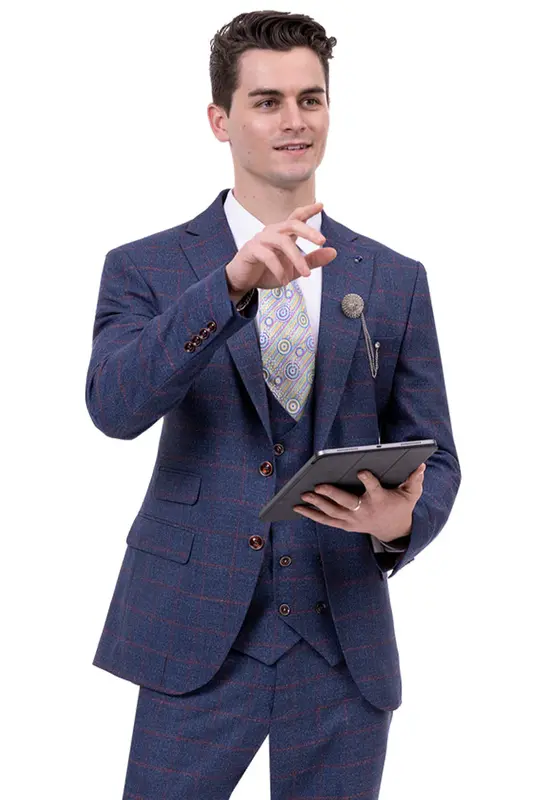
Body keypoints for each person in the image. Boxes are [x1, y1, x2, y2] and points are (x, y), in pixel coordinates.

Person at [85, 10, 461, 799]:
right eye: (266, 101)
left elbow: (437, 455)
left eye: (309, 98)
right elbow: (115, 407)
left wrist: (399, 524)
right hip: (195, 637)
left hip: (341, 643)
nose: (294, 120)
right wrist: (227, 287)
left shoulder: (393, 278)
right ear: (220, 120)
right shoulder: (147, 268)